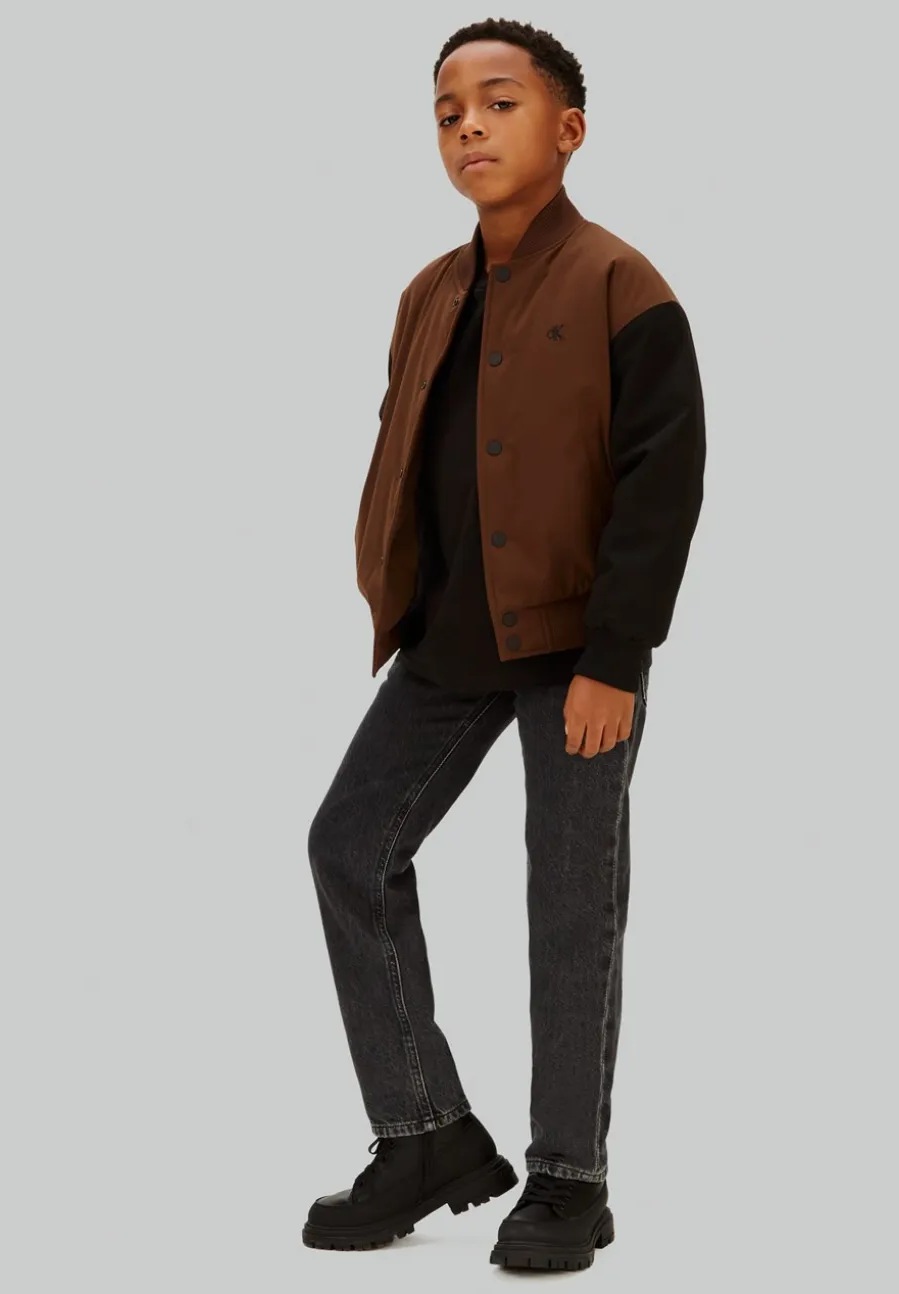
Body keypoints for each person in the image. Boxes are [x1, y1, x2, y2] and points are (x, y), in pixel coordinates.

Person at [303, 16, 706, 1272]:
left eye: (498, 102)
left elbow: (663, 478)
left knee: (569, 901)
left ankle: (570, 1179)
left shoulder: (621, 283)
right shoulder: (428, 293)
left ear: (567, 129)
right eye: (447, 112)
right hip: (449, 637)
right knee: (349, 846)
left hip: (576, 645)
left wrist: (617, 658)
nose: (468, 126)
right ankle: (423, 1129)